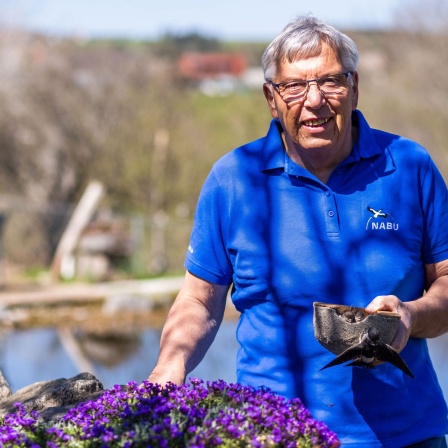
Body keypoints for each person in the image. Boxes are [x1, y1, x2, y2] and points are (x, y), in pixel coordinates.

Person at [148, 15, 448, 447]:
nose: (314, 100)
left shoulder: (409, 165)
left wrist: (411, 316)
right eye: (293, 86)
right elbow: (200, 299)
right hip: (272, 434)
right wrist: (170, 365)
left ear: (355, 88)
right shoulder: (235, 179)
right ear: (271, 98)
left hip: (406, 435)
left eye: (331, 81)